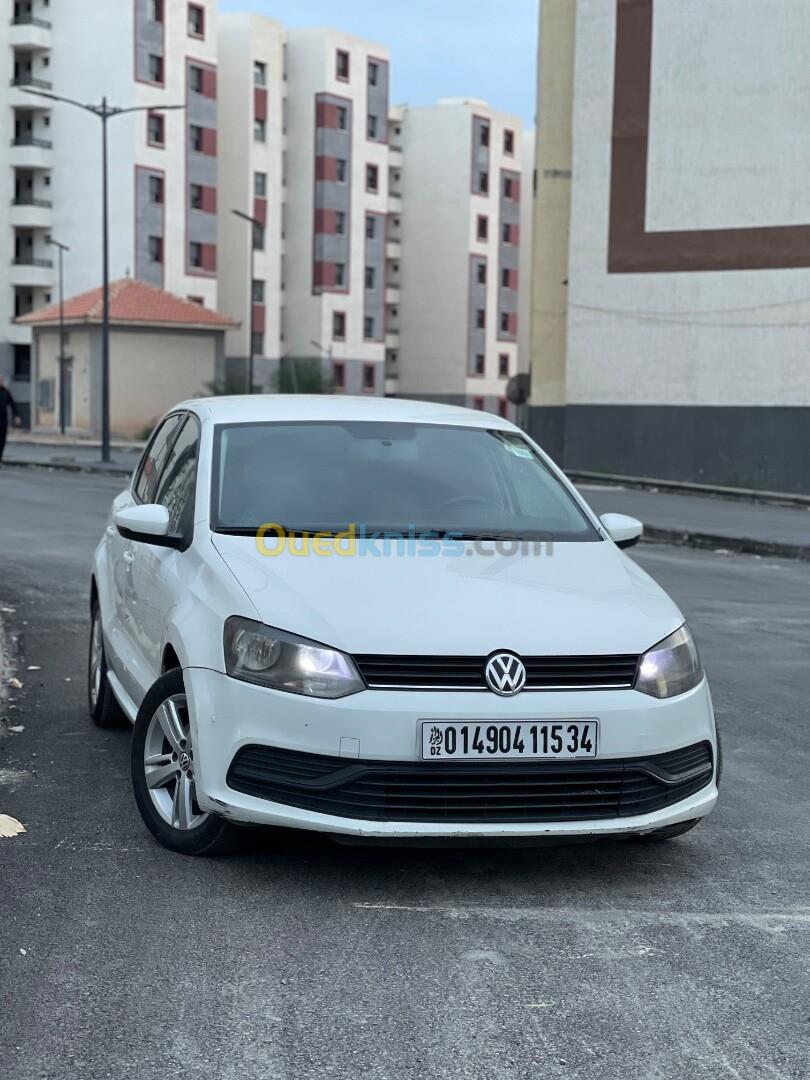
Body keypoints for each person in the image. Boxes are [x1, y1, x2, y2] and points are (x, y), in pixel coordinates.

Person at [0, 374, 22, 464]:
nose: (1, 382)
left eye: (1, 380)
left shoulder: (5, 392)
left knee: (2, 441)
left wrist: (16, 415)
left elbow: (13, 405)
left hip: (3, 421)